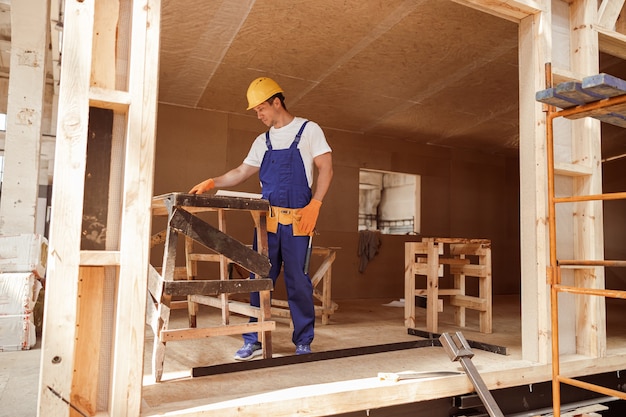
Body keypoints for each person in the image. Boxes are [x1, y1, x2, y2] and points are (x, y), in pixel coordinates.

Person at [189, 77, 333, 360]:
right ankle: (253, 339)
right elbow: (242, 172)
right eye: (255, 110)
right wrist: (213, 181)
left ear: (276, 102)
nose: (258, 115)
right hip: (266, 224)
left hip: (298, 222)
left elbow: (326, 168)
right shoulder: (263, 140)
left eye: (260, 108)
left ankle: (303, 341)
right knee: (258, 279)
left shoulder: (308, 130)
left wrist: (316, 204)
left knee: (298, 282)